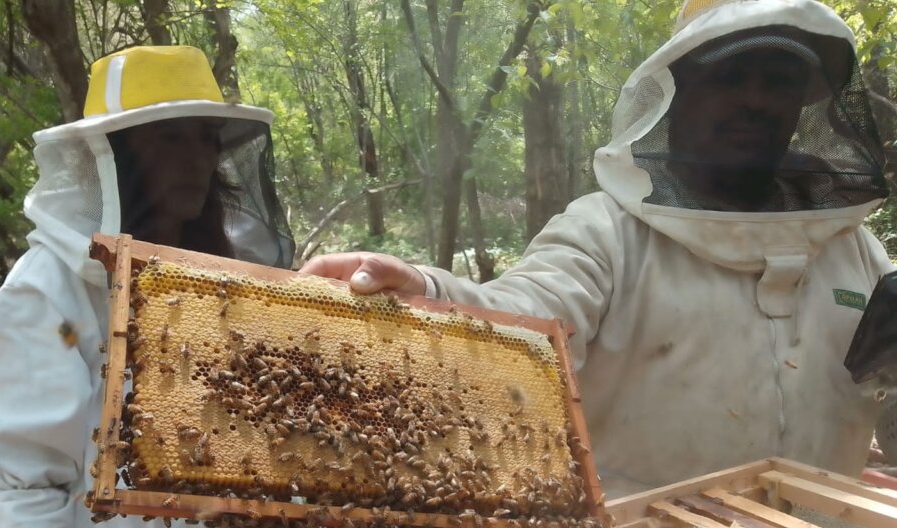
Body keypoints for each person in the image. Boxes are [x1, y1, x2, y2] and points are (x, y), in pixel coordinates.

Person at [300, 0, 892, 499]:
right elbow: (524, 316)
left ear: (803, 105)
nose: (756, 101)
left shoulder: (857, 252)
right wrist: (428, 293)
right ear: (676, 94)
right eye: (731, 77)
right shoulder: (605, 231)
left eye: (779, 81)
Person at [0, 45, 337, 528]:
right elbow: (25, 481)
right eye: (169, 137)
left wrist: (296, 522)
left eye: (204, 138)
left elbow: (248, 425)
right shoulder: (48, 292)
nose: (195, 159)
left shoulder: (214, 271)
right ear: (115, 157)